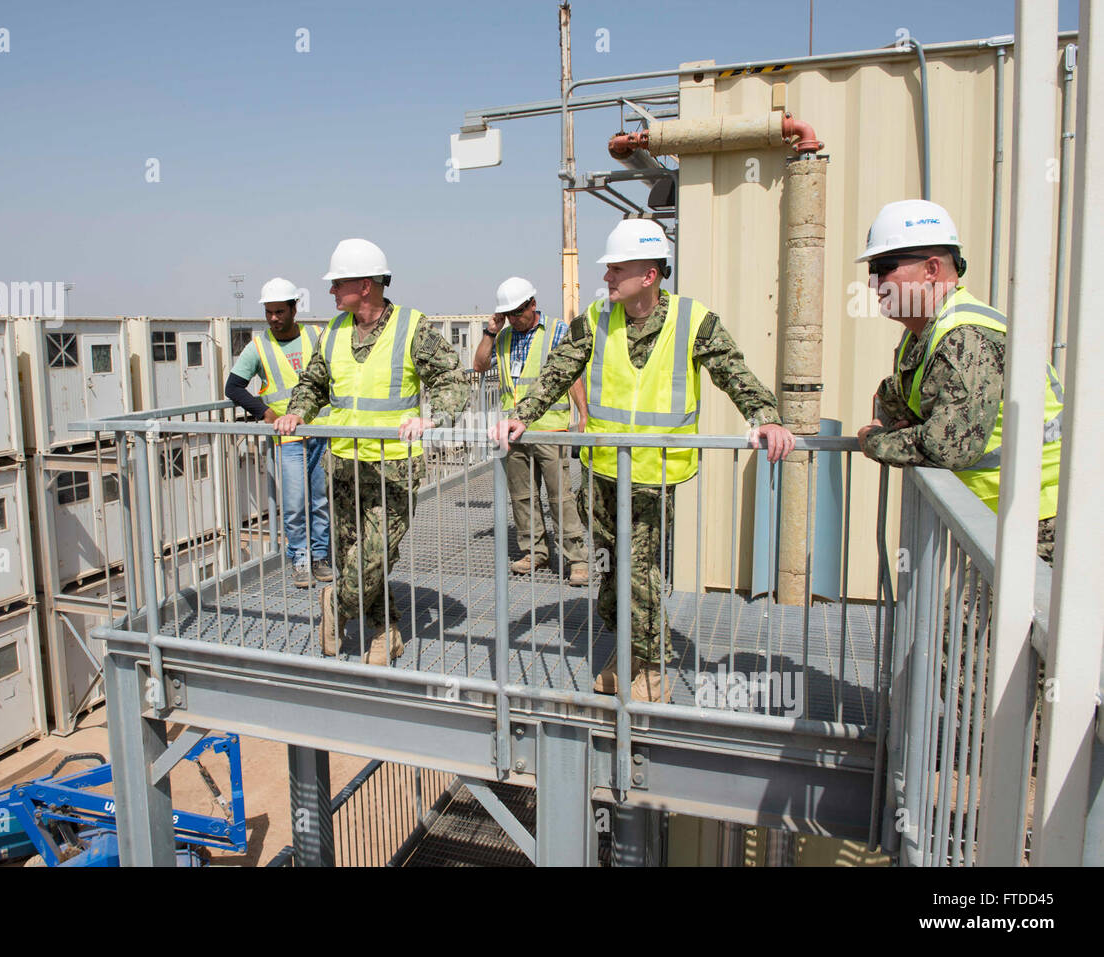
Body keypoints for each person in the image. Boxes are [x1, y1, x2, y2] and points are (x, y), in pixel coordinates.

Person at [490, 219, 795, 702]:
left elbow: (733, 372)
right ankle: (627, 652)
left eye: (617, 269)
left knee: (638, 570)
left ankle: (653, 668)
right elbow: (558, 369)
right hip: (601, 472)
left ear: (650, 275)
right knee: (614, 573)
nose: (607, 278)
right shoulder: (595, 319)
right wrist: (521, 415)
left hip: (653, 477)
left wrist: (766, 416)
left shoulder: (693, 321)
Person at [275, 239, 470, 664]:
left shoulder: (411, 327)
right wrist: (296, 412)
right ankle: (385, 633)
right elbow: (312, 383)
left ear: (365, 286)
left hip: (393, 467)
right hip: (343, 464)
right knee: (353, 556)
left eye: (337, 283)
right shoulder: (333, 332)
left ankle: (335, 604)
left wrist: (433, 417)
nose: (329, 292)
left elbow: (454, 381)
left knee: (375, 555)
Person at [854, 200, 1062, 564]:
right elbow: (895, 397)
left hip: (1046, 520)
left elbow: (949, 447)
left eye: (883, 268)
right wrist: (910, 429)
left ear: (932, 269)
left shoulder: (966, 335)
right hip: (1012, 517)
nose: (873, 283)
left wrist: (875, 440)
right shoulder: (924, 335)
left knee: (964, 622)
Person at [472, 276, 589, 585]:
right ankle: (534, 551)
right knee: (522, 496)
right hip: (514, 432)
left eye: (518, 313)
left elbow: (572, 375)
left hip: (550, 430)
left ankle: (577, 559)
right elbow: (480, 366)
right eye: (508, 314)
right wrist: (490, 331)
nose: (514, 319)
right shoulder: (505, 335)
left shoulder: (557, 331)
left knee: (560, 497)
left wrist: (584, 416)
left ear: (533, 305)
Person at [225, 277, 332, 587]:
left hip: (321, 432)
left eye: (279, 312)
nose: (273, 318)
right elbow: (233, 387)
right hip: (287, 439)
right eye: (269, 312)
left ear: (294, 309)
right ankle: (300, 559)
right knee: (296, 501)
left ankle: (320, 556)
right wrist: (266, 413)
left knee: (321, 500)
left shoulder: (316, 337)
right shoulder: (258, 347)